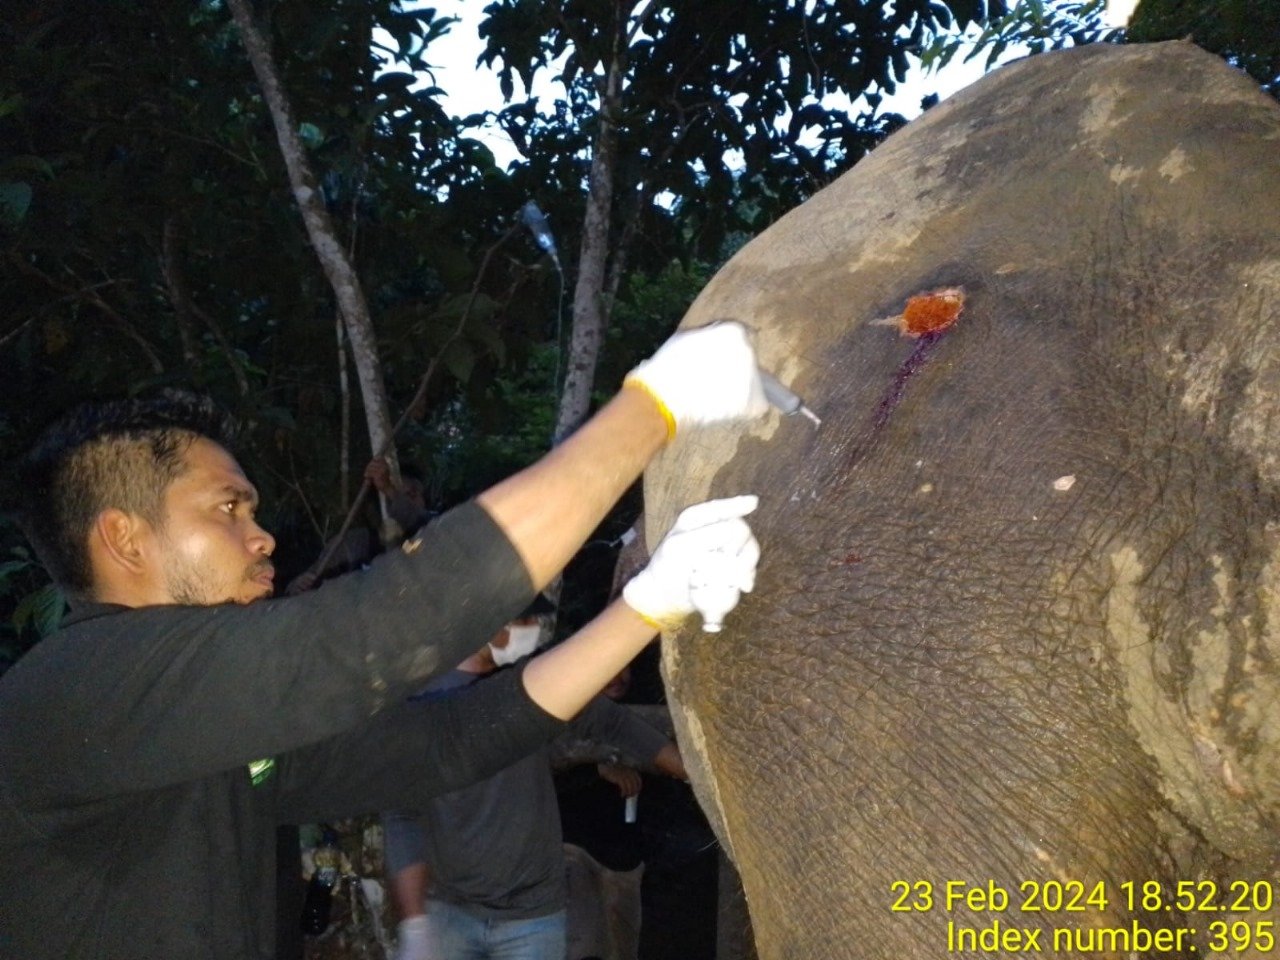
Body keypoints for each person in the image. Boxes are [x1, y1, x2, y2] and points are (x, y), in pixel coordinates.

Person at [0, 321, 767, 960]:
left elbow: (448, 741)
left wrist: (647, 605)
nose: (262, 537)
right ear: (124, 541)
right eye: (228, 509)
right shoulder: (67, 695)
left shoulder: (207, 739)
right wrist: (656, 405)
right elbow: (365, 635)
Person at [385, 607, 686, 960]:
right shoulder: (420, 703)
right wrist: (416, 925)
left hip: (532, 916)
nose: (531, 631)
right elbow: (401, 815)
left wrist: (688, 769)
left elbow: (610, 721)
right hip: (453, 912)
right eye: (522, 621)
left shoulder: (532, 684)